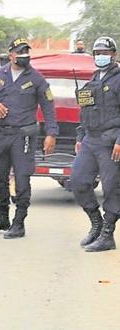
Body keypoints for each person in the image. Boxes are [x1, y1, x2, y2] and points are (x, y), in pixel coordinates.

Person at [0, 38, 58, 239]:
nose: (24, 55)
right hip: (2, 134)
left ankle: (19, 222)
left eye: (26, 51)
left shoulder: (37, 78)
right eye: (20, 51)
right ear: (11, 54)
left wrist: (51, 134)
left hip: (23, 135)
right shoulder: (0, 74)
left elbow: (49, 107)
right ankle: (2, 217)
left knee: (22, 180)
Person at [71, 36, 120, 252]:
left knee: (112, 188)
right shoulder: (91, 80)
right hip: (90, 140)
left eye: (105, 53)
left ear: (114, 55)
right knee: (78, 181)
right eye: (98, 53)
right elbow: (84, 112)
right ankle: (96, 224)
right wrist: (80, 137)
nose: (101, 56)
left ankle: (108, 235)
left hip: (111, 141)